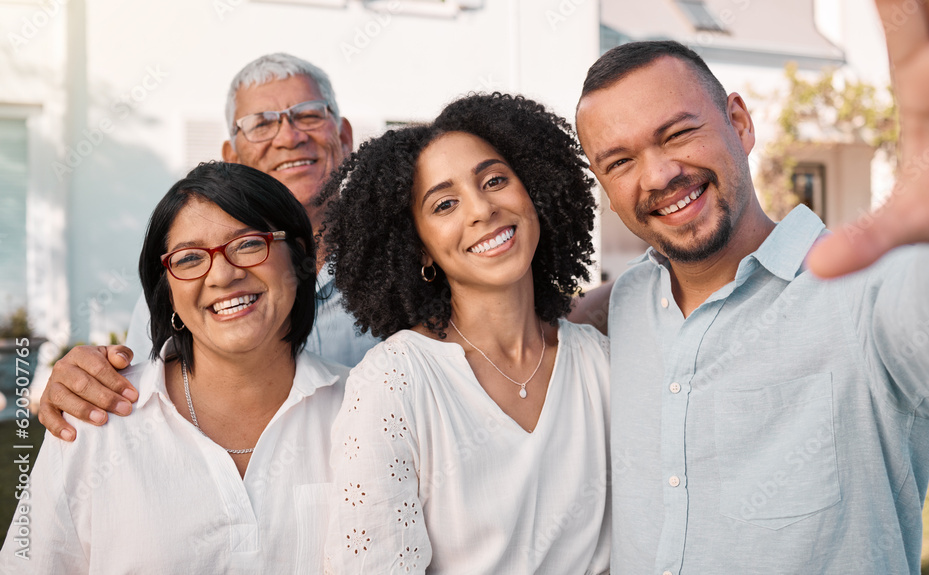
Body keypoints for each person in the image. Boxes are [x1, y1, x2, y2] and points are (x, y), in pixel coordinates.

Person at [573, 2, 929, 573]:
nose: (657, 176)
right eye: (619, 162)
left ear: (741, 124)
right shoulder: (623, 306)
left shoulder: (863, 295)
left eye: (677, 133)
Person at [1, 162, 348, 573]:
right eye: (188, 259)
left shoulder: (365, 408)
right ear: (167, 291)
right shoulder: (96, 418)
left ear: (299, 259)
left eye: (249, 244)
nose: (223, 273)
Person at [320, 94, 611, 573]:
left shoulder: (600, 364)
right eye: (445, 204)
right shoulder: (394, 382)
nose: (481, 209)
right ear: (422, 250)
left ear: (533, 191)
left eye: (495, 180)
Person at [39, 53, 378, 442]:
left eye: (309, 115)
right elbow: (133, 405)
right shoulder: (183, 290)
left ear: (346, 136)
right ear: (232, 158)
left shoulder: (407, 269)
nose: (289, 136)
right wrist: (84, 379)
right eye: (261, 124)